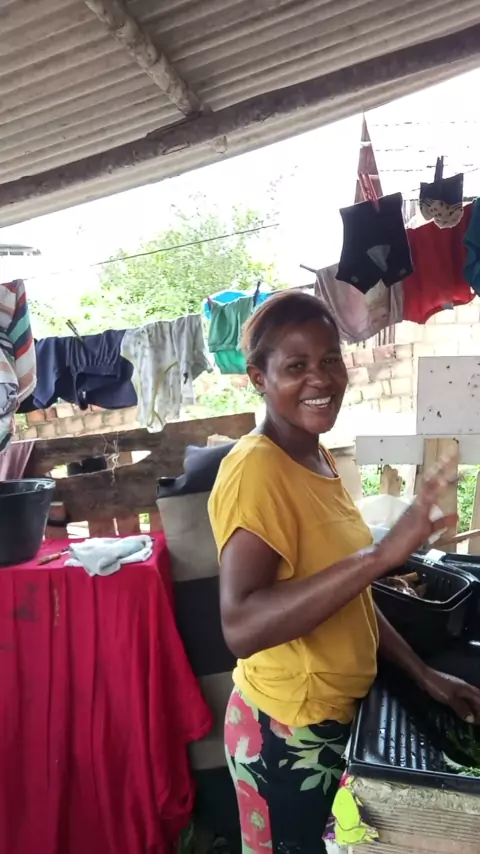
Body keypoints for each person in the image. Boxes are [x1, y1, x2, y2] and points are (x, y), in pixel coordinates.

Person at [208, 290, 480, 854]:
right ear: (258, 378)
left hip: (335, 716)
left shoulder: (315, 454)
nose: (321, 378)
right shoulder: (255, 470)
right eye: (296, 366)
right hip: (286, 728)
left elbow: (350, 597)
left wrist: (424, 675)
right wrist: (379, 557)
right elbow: (241, 626)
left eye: (330, 358)